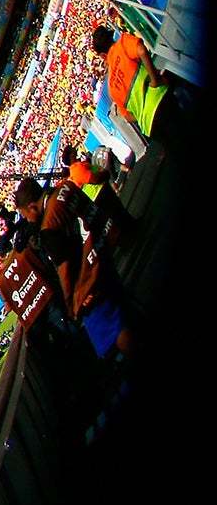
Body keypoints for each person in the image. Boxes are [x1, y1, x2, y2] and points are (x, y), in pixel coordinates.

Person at [12, 178, 128, 358]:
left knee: (114, 332)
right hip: (103, 256)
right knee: (124, 310)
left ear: (33, 207)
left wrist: (69, 303)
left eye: (26, 216)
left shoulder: (48, 227)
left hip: (89, 282)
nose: (29, 221)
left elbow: (64, 268)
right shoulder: (65, 187)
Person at [92, 24, 187, 153]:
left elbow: (128, 117)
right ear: (111, 36)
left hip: (149, 124)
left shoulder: (111, 87)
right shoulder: (123, 43)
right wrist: (154, 79)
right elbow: (142, 51)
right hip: (160, 100)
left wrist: (142, 112)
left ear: (103, 56)